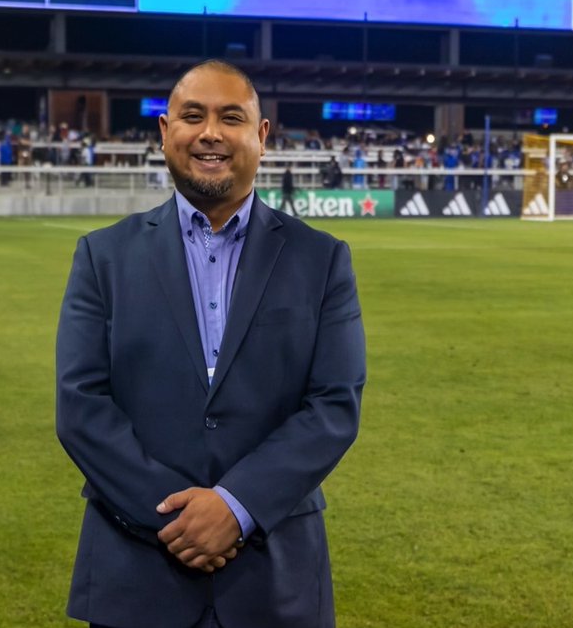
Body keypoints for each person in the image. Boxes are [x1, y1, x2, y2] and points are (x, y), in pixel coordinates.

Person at [56, 60, 366, 628]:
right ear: (164, 131)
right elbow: (81, 408)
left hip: (275, 584)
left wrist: (237, 507)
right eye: (192, 116)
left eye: (231, 118)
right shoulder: (103, 257)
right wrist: (181, 520)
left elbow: (333, 406)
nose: (210, 133)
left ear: (261, 135)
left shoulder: (322, 259)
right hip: (136, 576)